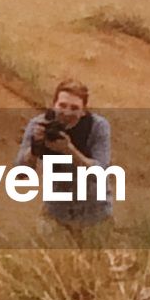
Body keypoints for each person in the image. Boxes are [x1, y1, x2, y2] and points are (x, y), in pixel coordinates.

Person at [16, 79, 113, 230]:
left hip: (94, 214)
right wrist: (36, 148)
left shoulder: (97, 127)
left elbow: (100, 174)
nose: (67, 112)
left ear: (83, 111)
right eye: (62, 105)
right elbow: (21, 174)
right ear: (53, 105)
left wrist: (69, 150)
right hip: (56, 213)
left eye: (74, 108)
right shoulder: (40, 125)